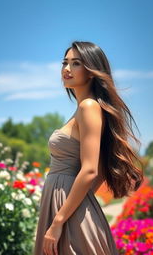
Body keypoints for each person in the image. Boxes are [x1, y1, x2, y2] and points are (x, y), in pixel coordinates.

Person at [33, 41, 144, 255]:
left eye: (76, 64)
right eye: (65, 62)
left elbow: (91, 170)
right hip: (67, 207)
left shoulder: (89, 107)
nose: (66, 69)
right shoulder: (83, 109)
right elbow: (102, 169)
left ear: (91, 72)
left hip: (66, 211)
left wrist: (59, 220)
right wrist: (73, 205)